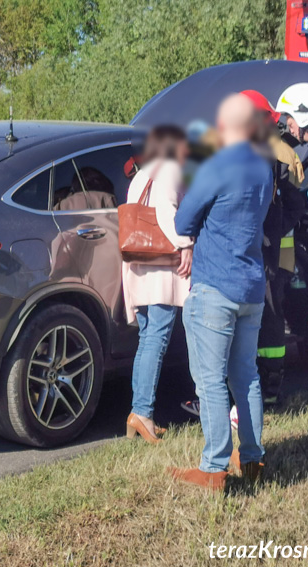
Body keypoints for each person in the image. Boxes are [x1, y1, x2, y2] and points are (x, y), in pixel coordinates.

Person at [169, 94, 273, 491]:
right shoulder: (264, 168)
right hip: (251, 286)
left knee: (210, 381)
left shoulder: (218, 164)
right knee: (246, 376)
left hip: (215, 286)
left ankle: (213, 468)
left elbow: (183, 219)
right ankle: (252, 459)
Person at [122, 126, 194, 444]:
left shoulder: (142, 174)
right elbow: (167, 213)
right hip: (161, 268)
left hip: (140, 264)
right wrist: (185, 244)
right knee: (158, 340)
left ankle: (138, 413)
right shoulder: (169, 172)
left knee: (147, 338)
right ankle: (143, 414)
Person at [243, 90, 306, 406]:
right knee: (263, 312)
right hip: (265, 249)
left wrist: (272, 230)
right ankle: (262, 383)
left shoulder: (278, 155)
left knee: (268, 312)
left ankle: (269, 384)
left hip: (269, 252)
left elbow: (295, 204)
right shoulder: (273, 152)